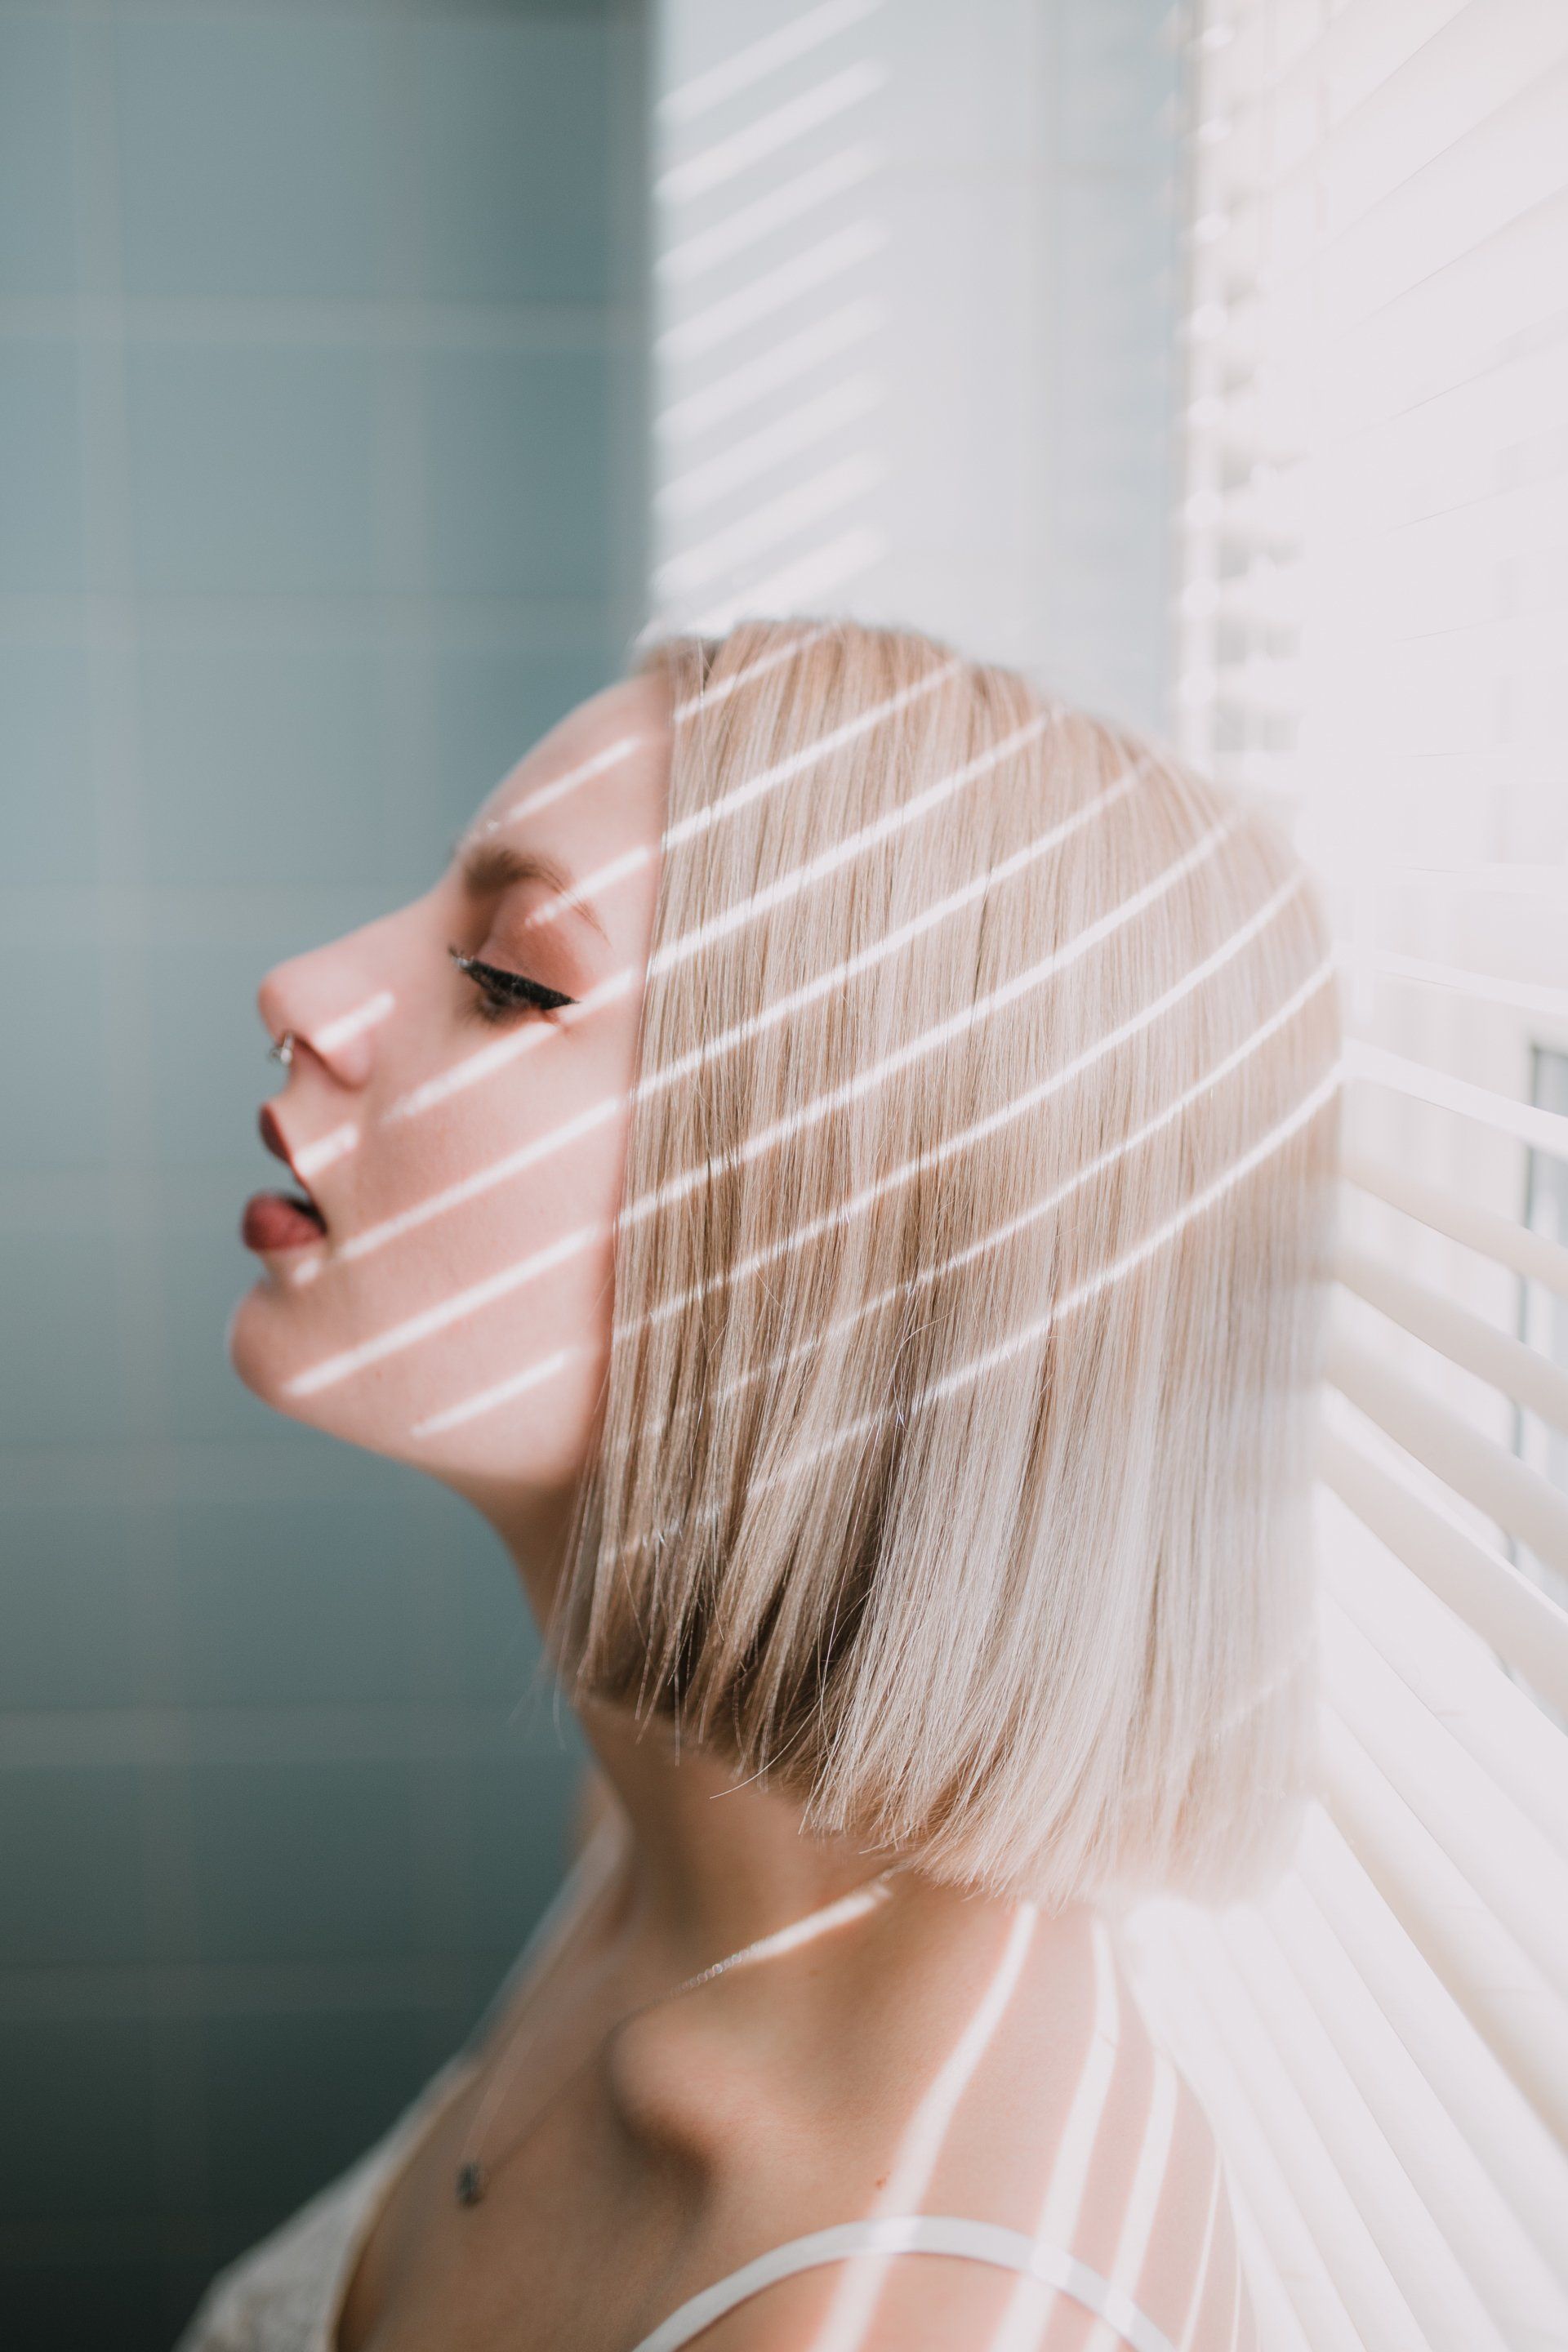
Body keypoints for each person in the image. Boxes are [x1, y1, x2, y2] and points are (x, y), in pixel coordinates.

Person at [179, 615, 1340, 2350]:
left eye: (505, 977)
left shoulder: (918, 2309)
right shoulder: (656, 1859)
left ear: (858, 1246)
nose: (308, 990)